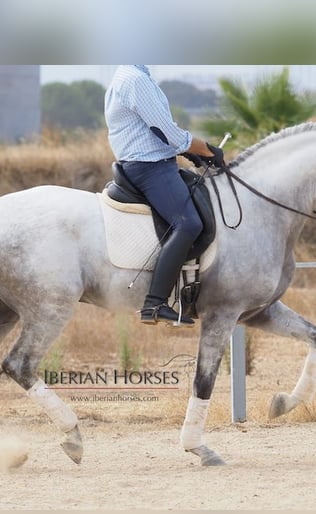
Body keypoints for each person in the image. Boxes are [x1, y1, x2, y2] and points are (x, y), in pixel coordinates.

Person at [104, 65, 225, 326]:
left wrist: (188, 152)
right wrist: (205, 149)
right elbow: (165, 131)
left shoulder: (127, 75)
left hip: (150, 163)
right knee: (188, 223)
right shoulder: (136, 80)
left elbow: (153, 131)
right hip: (151, 169)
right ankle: (155, 303)